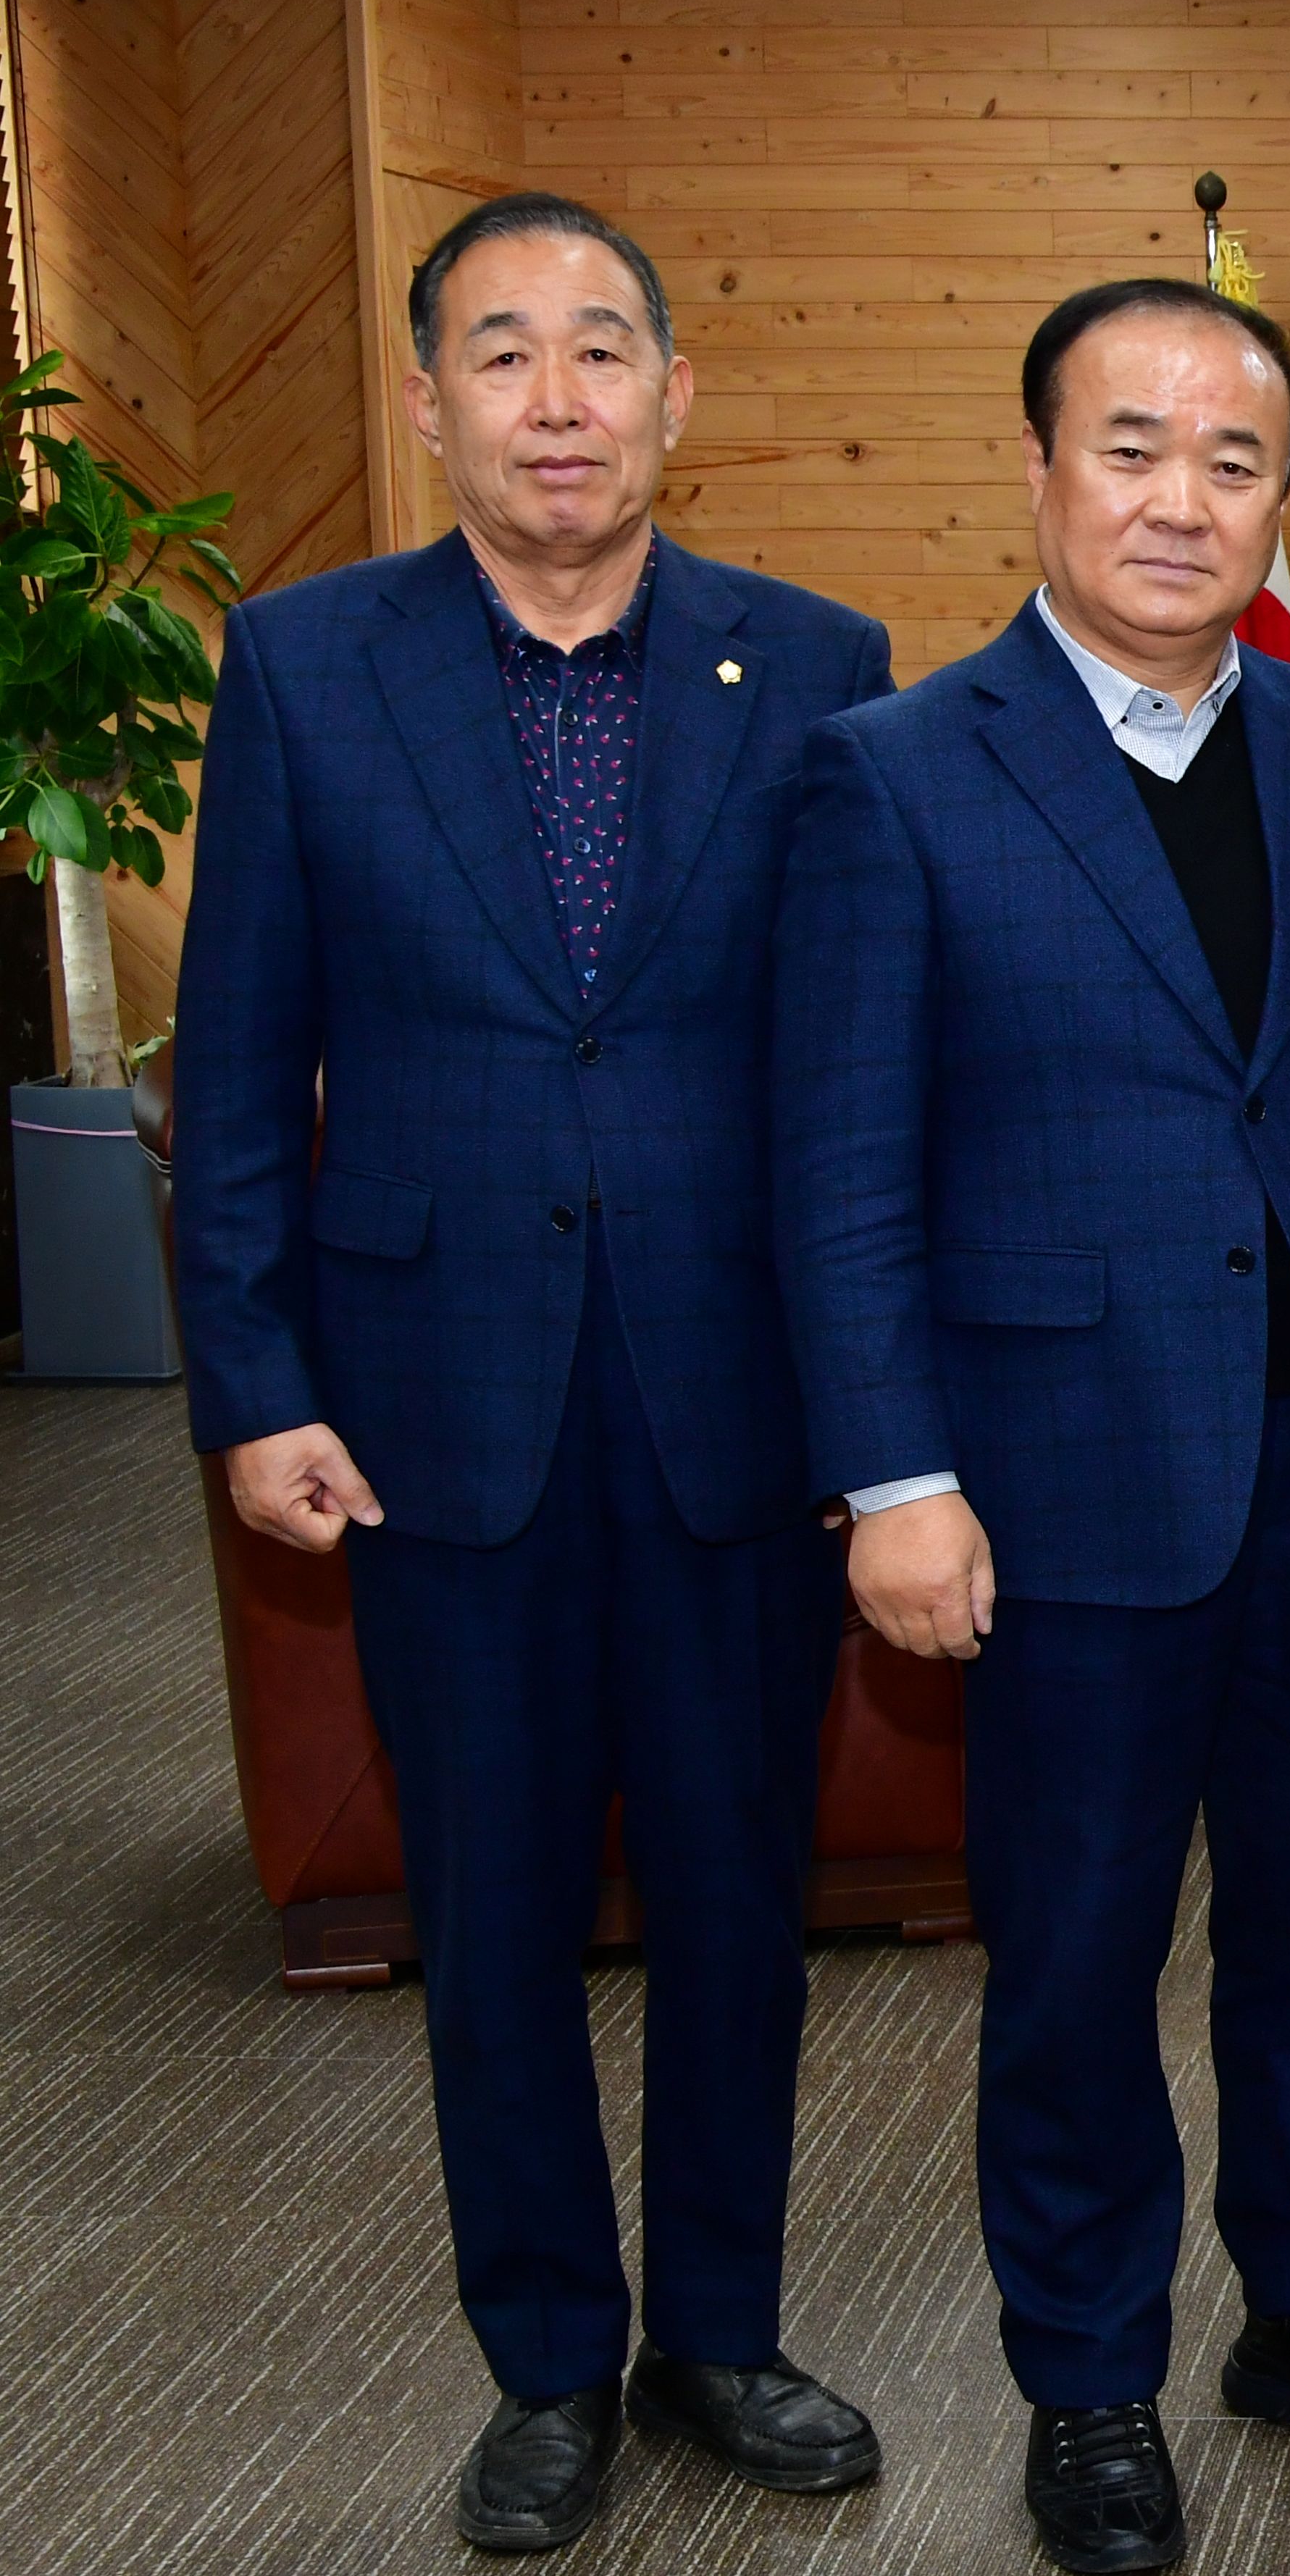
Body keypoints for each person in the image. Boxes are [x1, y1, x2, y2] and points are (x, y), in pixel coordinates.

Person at [771, 278, 1290, 2576]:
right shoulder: (897, 770)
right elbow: (842, 1163)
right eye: (1132, 448)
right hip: (1054, 1480)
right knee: (1080, 1957)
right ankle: (1088, 2375)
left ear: (1283, 500)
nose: (1182, 500)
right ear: (1038, 470)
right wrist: (897, 1479)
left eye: (1234, 460)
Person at [175, 193, 895, 2553]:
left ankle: (722, 2333)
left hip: (731, 1398)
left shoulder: (818, 665)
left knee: (736, 1897)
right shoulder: (306, 667)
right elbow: (241, 1052)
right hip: (427, 1401)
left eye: (601, 351)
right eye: (502, 354)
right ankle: (551, 2360)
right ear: (429, 405)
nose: (556, 400)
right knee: (488, 1915)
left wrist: (880, 1401)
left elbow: (853, 1068)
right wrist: (254, 1379)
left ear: (676, 395)